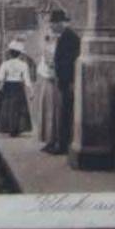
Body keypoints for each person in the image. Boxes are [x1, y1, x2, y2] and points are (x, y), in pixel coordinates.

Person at [52, 11, 80, 154]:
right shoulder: (65, 36)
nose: (52, 27)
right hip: (65, 81)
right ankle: (62, 144)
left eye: (54, 24)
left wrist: (70, 82)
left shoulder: (70, 37)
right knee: (64, 113)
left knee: (66, 114)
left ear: (61, 23)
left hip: (69, 82)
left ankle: (64, 146)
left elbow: (71, 62)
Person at [0, 40, 34, 137]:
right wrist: (31, 91)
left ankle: (8, 128)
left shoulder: (5, 64)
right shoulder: (23, 64)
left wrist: (0, 89)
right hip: (18, 86)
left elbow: (0, 78)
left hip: (8, 86)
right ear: (19, 54)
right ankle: (17, 129)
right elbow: (27, 80)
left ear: (10, 53)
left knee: (7, 107)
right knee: (18, 107)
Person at [36, 42, 59, 150]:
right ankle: (49, 140)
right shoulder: (46, 52)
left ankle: (55, 140)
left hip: (56, 84)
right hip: (48, 84)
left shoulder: (55, 49)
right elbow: (41, 69)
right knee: (47, 112)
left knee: (54, 112)